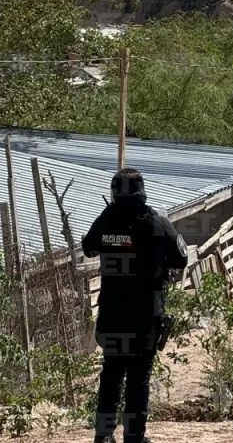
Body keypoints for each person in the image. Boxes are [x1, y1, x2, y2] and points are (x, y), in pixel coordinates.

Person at [82, 168, 188, 443]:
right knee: (138, 380)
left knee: (112, 376)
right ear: (141, 190)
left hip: (113, 314)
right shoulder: (156, 223)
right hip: (144, 317)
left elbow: (88, 246)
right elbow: (181, 259)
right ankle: (134, 437)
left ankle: (103, 436)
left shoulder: (107, 220)